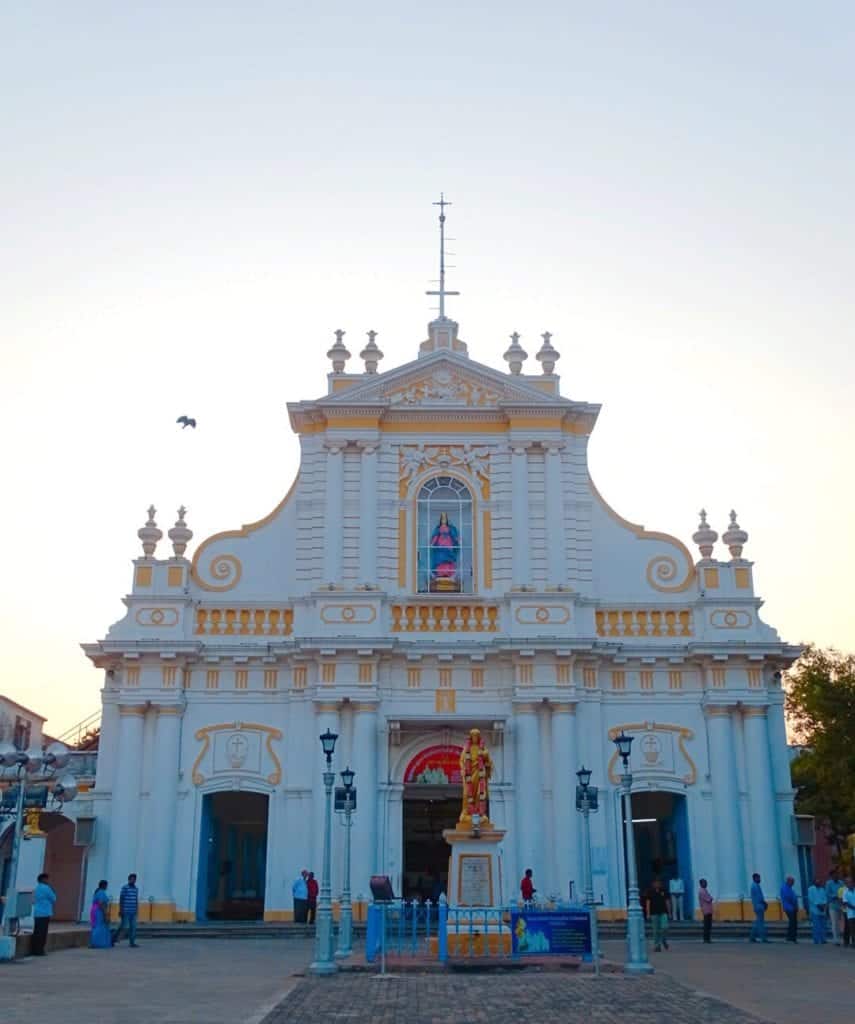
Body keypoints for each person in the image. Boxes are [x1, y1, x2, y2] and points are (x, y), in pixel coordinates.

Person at [31, 872, 57, 956]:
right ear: (43, 879)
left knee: (37, 932)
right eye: (47, 879)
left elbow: (33, 901)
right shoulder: (46, 888)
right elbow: (54, 898)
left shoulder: (36, 888)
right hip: (45, 913)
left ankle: (34, 949)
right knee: (42, 933)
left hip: (37, 913)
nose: (48, 880)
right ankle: (39, 950)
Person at [112, 873, 140, 947]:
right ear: (129, 879)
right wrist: (121, 910)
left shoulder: (136, 889)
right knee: (123, 926)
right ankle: (113, 938)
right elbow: (121, 899)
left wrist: (137, 909)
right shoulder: (125, 888)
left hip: (133, 911)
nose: (133, 880)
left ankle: (132, 942)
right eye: (132, 879)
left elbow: (136, 899)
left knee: (133, 927)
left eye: (134, 879)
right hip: (126, 911)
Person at [646, 878, 671, 952]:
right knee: (656, 930)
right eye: (656, 883)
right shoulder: (650, 891)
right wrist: (648, 913)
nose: (657, 884)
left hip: (663, 912)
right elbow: (648, 903)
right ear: (653, 884)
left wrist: (669, 913)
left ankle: (663, 940)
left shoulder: (664, 891)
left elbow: (667, 902)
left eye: (659, 883)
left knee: (665, 927)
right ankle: (657, 945)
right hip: (654, 913)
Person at [89, 880, 112, 949]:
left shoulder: (99, 892)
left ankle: (98, 942)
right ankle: (95, 943)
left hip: (96, 910)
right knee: (98, 927)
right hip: (98, 911)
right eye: (106, 885)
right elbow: (101, 903)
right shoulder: (101, 892)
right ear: (104, 885)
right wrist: (105, 913)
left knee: (98, 926)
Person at [749, 873, 769, 943]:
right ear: (755, 878)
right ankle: (763, 938)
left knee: (757, 922)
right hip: (759, 906)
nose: (760, 879)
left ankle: (752, 937)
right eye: (758, 878)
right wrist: (764, 903)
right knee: (760, 923)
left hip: (758, 905)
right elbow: (759, 897)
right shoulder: (755, 886)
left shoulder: (755, 886)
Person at [807, 878, 827, 945]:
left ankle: (823, 939)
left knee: (823, 926)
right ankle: (816, 940)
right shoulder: (811, 889)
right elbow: (811, 899)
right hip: (814, 910)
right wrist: (818, 905)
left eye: (819, 882)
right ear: (814, 882)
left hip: (822, 910)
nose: (818, 883)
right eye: (817, 882)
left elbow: (825, 898)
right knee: (816, 926)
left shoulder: (822, 889)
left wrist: (823, 905)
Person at [825, 870, 843, 945]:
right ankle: (836, 939)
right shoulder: (828, 883)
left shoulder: (841, 883)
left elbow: (843, 891)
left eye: (837, 874)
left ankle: (840, 937)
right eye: (835, 875)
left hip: (841, 905)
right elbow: (828, 894)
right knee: (834, 923)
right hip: (832, 905)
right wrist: (836, 896)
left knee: (840, 923)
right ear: (831, 876)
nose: (836, 876)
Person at [780, 875, 799, 942]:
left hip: (792, 907)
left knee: (793, 922)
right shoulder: (785, 888)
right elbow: (788, 898)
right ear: (788, 881)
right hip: (789, 908)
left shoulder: (790, 888)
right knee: (793, 922)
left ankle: (790, 936)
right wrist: (795, 905)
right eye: (792, 882)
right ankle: (792, 937)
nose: (793, 883)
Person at [697, 879, 714, 943]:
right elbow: (709, 899)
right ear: (701, 884)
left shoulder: (704, 890)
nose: (706, 884)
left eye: (706, 882)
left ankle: (707, 938)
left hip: (708, 909)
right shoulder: (702, 891)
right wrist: (711, 898)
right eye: (704, 883)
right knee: (707, 925)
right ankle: (706, 939)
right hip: (706, 909)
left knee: (708, 925)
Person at [843, 876, 855, 948]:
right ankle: (853, 942)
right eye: (848, 882)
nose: (850, 884)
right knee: (852, 929)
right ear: (846, 884)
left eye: (851, 882)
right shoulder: (845, 892)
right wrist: (854, 907)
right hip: (850, 914)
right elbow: (845, 902)